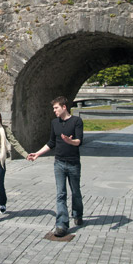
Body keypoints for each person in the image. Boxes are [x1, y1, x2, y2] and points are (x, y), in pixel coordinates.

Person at [27, 96, 84, 237]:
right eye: (53, 108)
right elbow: (51, 142)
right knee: (61, 194)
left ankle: (77, 213)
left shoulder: (77, 121)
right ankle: (61, 225)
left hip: (73, 163)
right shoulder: (54, 123)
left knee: (75, 192)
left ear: (64, 107)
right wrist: (38, 154)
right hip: (59, 163)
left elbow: (78, 141)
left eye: (56, 108)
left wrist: (70, 141)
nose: (54, 111)